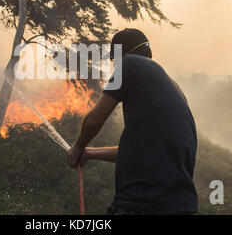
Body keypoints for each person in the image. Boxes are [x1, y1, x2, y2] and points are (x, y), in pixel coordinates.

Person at [67, 28, 198, 215]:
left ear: (120, 55)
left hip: (142, 203)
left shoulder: (130, 64)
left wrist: (78, 146)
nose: (114, 66)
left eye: (114, 60)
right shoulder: (173, 87)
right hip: (181, 206)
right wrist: (90, 153)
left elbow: (93, 121)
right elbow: (139, 151)